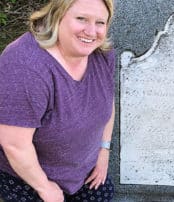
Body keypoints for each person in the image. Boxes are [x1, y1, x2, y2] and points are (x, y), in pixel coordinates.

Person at [0, 0, 115, 201]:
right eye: (81, 19)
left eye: (100, 22)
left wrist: (104, 150)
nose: (91, 31)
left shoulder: (101, 54)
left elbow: (106, 100)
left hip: (84, 173)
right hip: (29, 179)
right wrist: (45, 188)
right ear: (57, 16)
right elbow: (14, 144)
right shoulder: (25, 67)